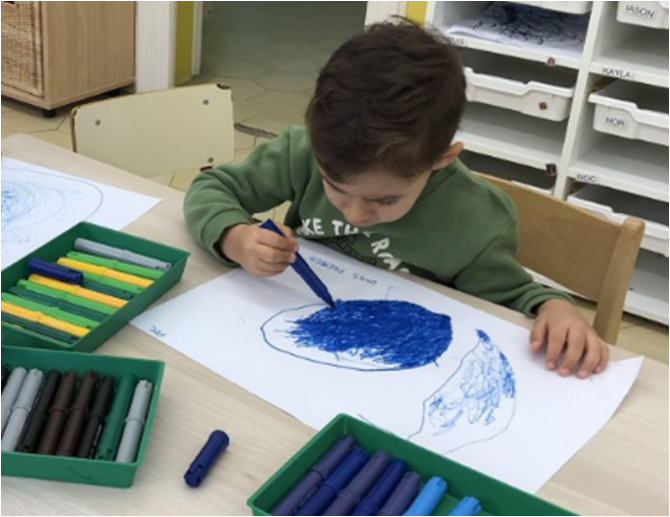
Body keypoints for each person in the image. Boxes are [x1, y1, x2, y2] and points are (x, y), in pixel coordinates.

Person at [184, 19, 609, 379]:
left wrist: (555, 308)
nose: (357, 213)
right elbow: (210, 189)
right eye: (335, 187)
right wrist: (234, 237)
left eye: (385, 201)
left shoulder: (476, 221)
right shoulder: (303, 152)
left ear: (441, 160)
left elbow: (513, 298)